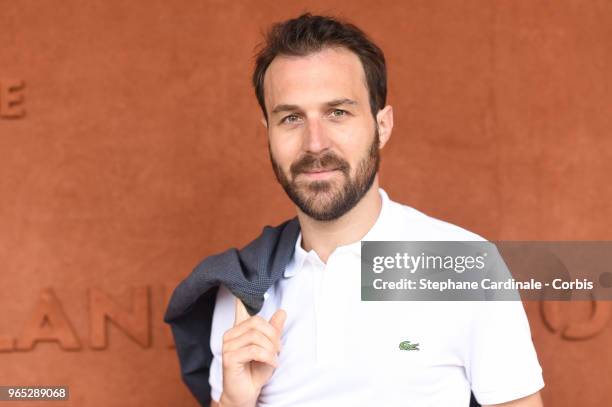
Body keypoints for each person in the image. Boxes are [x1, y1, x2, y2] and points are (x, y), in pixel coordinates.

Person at [208, 12, 544, 407]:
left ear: (382, 126)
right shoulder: (242, 290)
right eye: (291, 117)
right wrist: (234, 401)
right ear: (267, 132)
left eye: (338, 112)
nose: (315, 144)